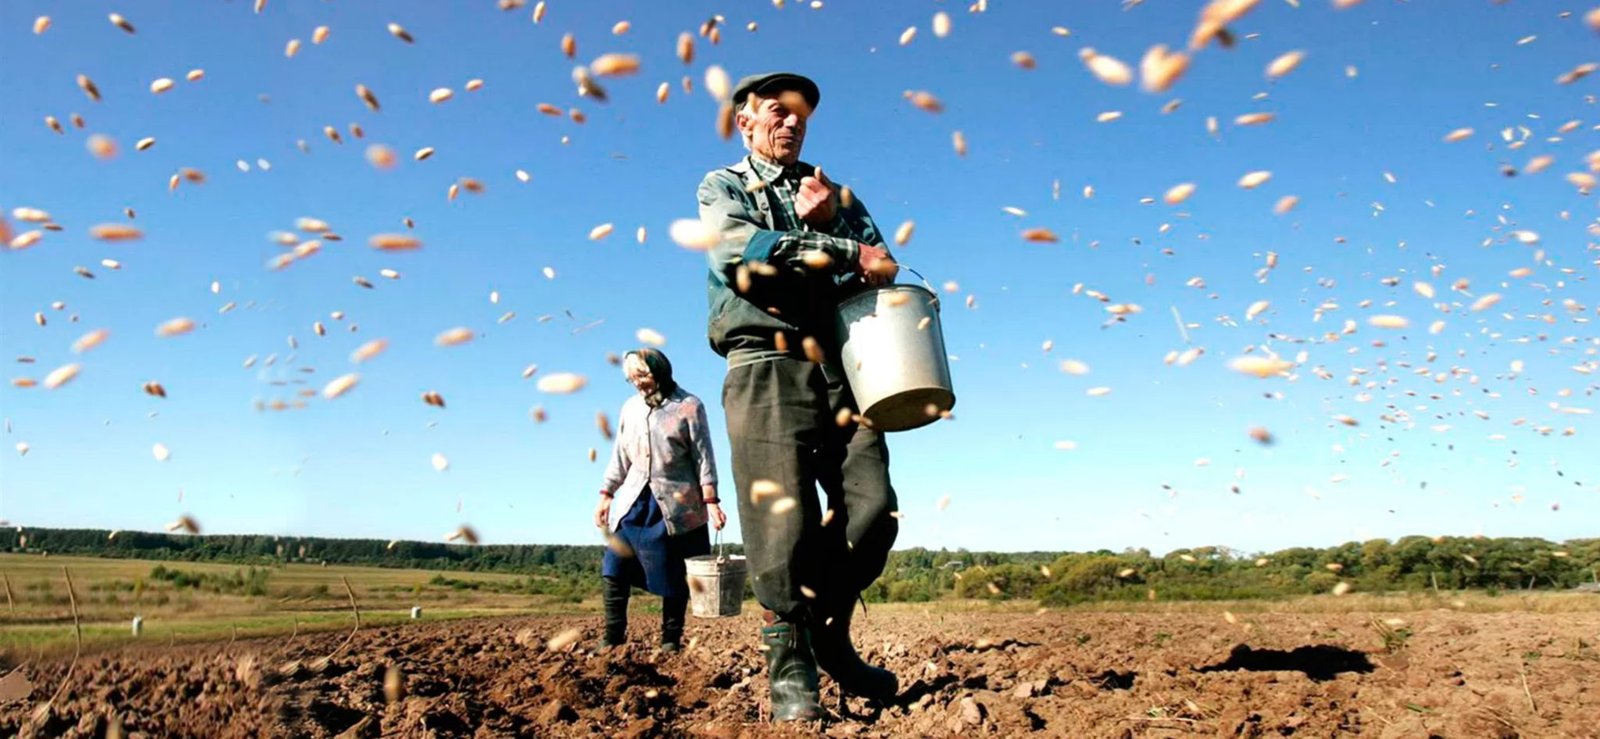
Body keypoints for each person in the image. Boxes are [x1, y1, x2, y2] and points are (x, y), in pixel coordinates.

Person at [695, 71, 902, 721]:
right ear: (745, 121)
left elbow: (884, 265)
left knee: (873, 508)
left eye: (801, 115)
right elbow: (744, 259)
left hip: (841, 362)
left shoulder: (831, 191)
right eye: (776, 112)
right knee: (780, 528)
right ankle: (790, 661)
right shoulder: (722, 187)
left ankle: (830, 631)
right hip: (764, 361)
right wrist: (834, 243)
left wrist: (839, 231)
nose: (792, 122)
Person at [594, 348, 726, 652]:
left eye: (642, 375)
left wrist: (711, 501)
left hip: (677, 506)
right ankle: (612, 639)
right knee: (614, 565)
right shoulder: (630, 408)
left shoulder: (689, 407)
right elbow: (620, 456)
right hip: (635, 501)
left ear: (660, 371)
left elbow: (703, 457)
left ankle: (670, 641)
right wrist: (606, 494)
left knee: (674, 574)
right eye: (632, 379)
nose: (638, 383)